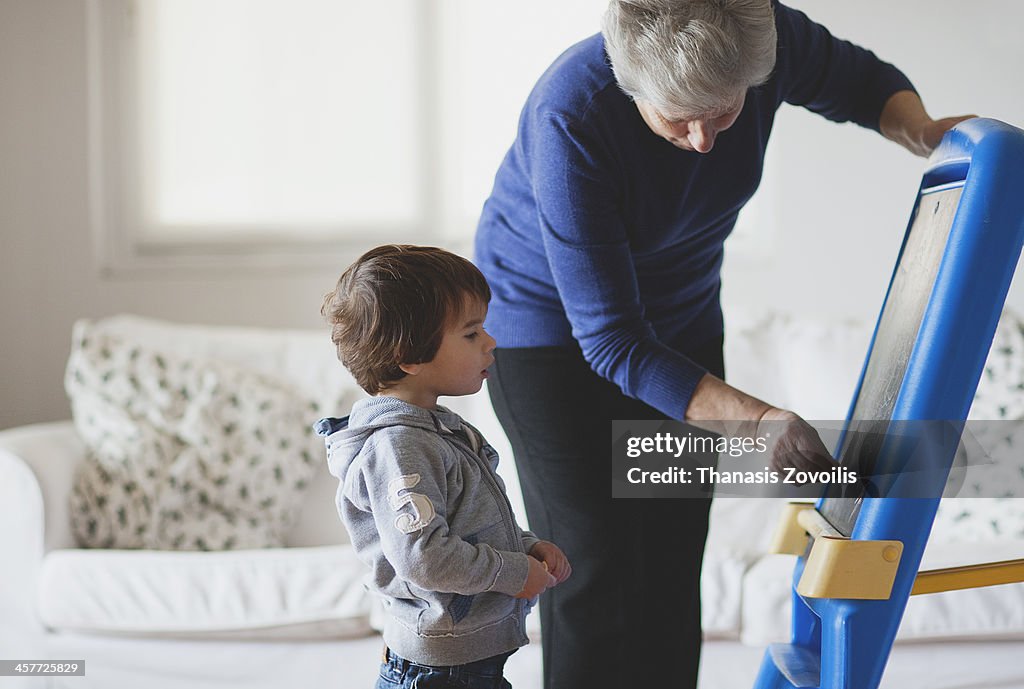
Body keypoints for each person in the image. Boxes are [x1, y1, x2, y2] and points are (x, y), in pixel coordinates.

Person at [473, 1, 974, 687]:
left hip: (680, 327)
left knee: (673, 557)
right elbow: (612, 339)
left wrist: (921, 131)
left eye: (726, 110)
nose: (705, 138)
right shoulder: (571, 114)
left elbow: (860, 81)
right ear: (631, 82)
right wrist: (756, 421)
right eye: (679, 117)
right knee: (596, 562)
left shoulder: (757, 36)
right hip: (551, 339)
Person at [316, 245, 571, 689]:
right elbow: (424, 557)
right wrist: (512, 574)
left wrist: (524, 547)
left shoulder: (436, 431)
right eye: (471, 334)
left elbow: (464, 521)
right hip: (442, 672)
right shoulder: (400, 447)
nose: (490, 342)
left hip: (464, 663)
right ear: (410, 356)